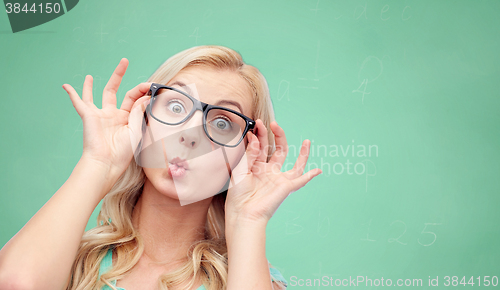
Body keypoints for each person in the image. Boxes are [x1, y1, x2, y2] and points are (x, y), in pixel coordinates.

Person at [0, 45, 322, 290]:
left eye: (222, 122)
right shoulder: (68, 257)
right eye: (177, 105)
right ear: (144, 117)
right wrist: (98, 162)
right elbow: (15, 283)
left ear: (246, 155)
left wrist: (248, 219)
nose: (189, 135)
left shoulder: (249, 277)